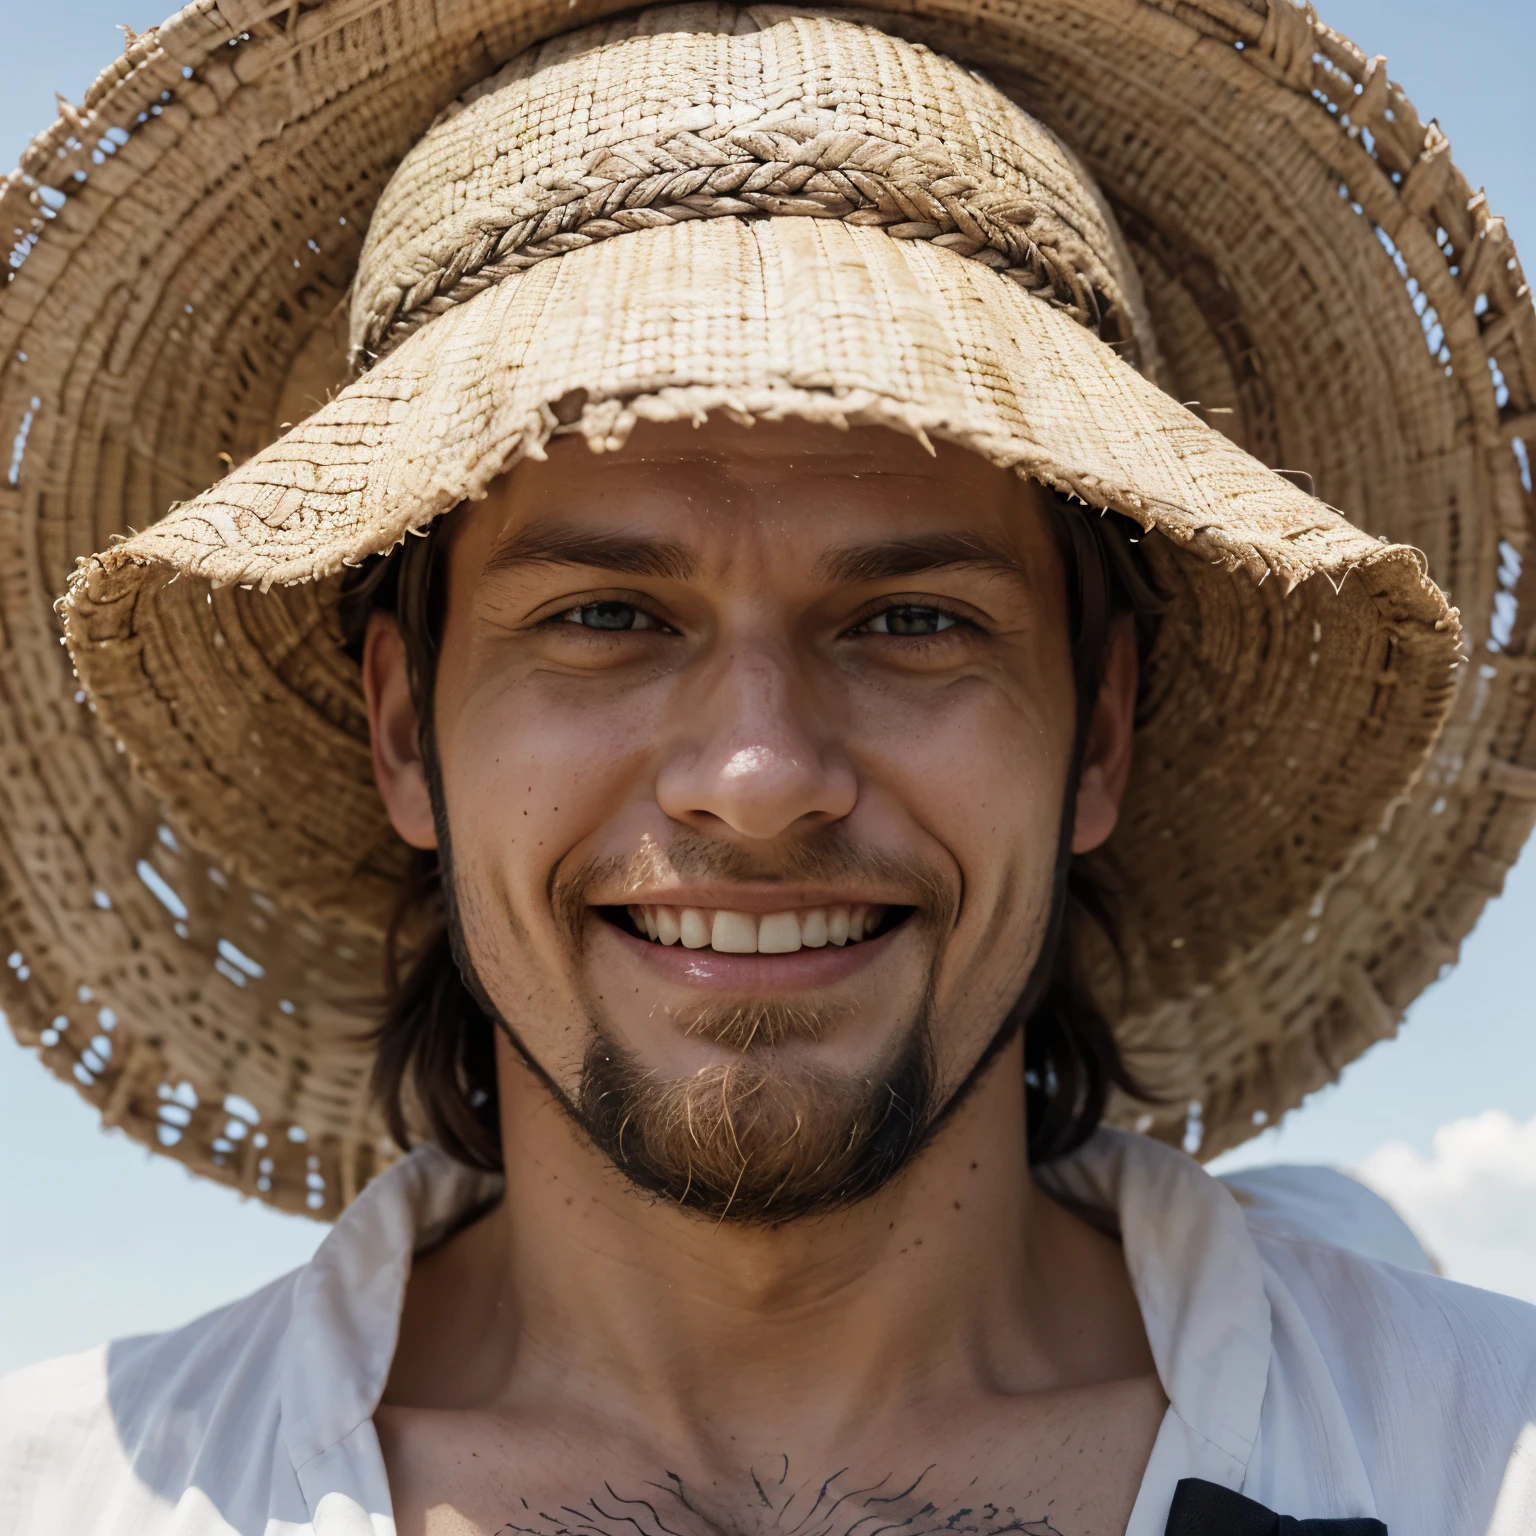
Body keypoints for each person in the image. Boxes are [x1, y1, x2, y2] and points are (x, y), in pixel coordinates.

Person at [1, 2, 1533, 1533]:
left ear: (1101, 733)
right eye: (603, 617)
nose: (757, 774)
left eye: (914, 621)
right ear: (405, 733)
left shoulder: (1487, 1460)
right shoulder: (59, 1498)